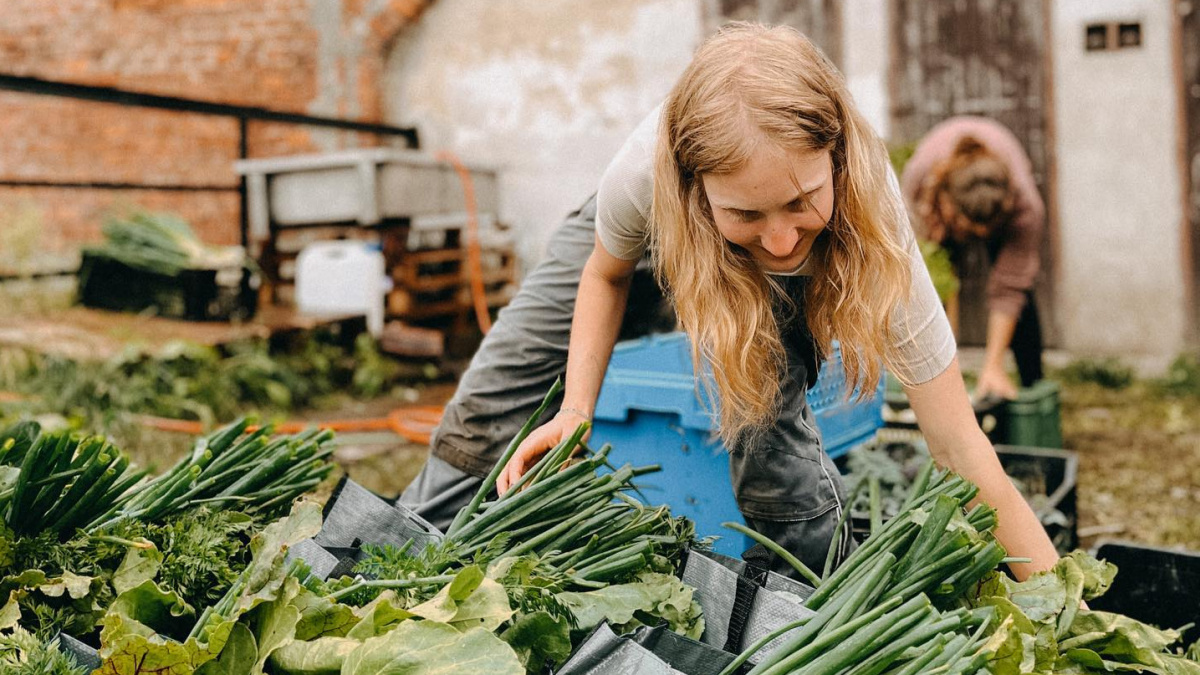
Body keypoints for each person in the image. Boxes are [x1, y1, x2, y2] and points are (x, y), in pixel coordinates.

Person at [401, 23, 1060, 580]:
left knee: (772, 439)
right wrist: (577, 407)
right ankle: (397, 559)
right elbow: (604, 276)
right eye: (747, 211)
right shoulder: (643, 172)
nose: (780, 239)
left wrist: (1062, 603)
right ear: (696, 188)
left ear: (833, 161)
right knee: (490, 401)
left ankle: (802, 603)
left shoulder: (872, 212)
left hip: (745, 259)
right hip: (649, 235)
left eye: (801, 200)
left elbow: (959, 446)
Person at [900, 118, 1046, 401]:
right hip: (936, 208)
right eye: (968, 228)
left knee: (1020, 292)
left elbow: (1009, 288)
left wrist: (992, 365)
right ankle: (933, 383)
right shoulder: (919, 181)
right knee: (930, 288)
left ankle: (1031, 388)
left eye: (984, 232)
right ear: (945, 201)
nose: (975, 238)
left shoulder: (1026, 207)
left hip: (989, 202)